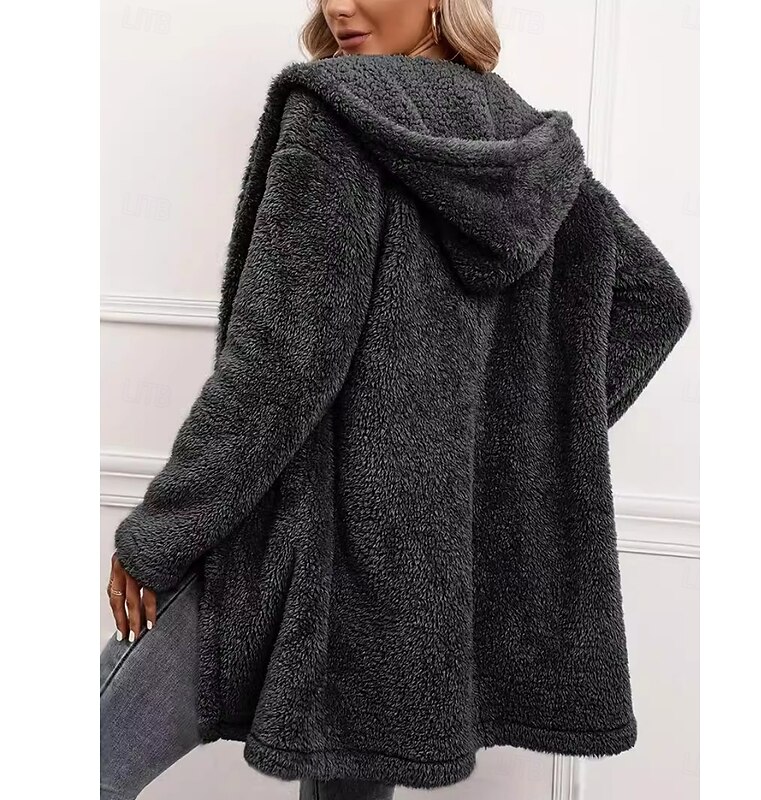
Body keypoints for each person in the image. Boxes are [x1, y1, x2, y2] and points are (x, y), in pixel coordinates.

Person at [100, 1, 693, 798]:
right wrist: (507, 441)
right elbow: (655, 303)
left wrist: (161, 534)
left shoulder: (338, 114)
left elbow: (277, 363)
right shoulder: (527, 145)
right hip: (423, 580)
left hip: (298, 545)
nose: (339, 6)